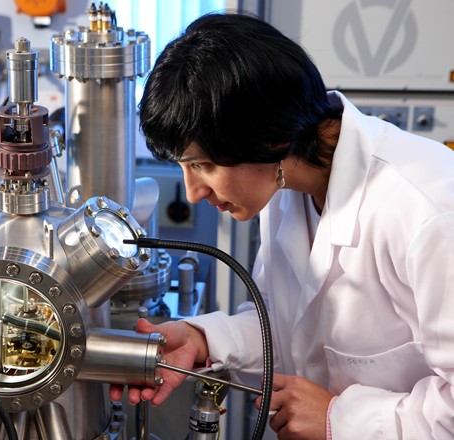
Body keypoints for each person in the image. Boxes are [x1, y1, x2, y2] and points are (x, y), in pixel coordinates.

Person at [109, 12, 454, 440]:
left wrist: (342, 420)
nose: (194, 192)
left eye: (203, 165)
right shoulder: (283, 180)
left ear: (268, 137)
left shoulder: (429, 210)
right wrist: (204, 339)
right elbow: (288, 325)